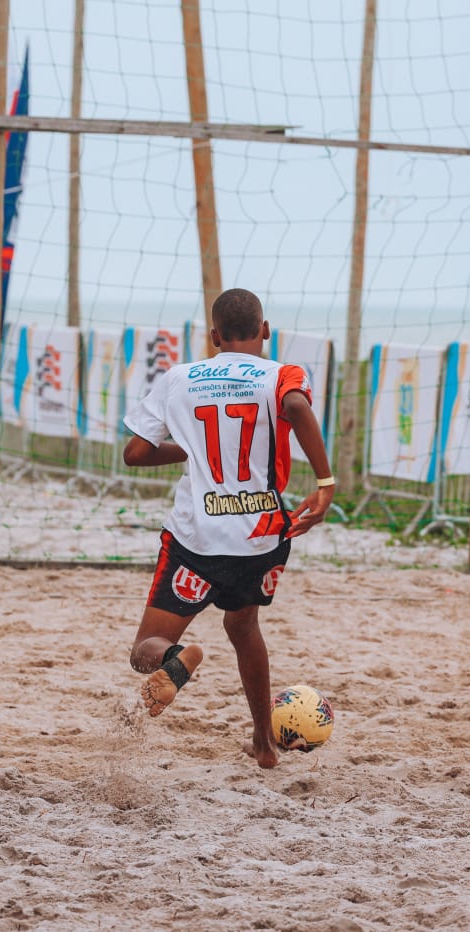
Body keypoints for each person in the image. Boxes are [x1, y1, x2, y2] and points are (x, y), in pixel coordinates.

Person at [122, 288, 336, 768]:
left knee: (143, 651)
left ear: (215, 336)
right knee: (243, 625)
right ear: (265, 331)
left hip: (195, 538)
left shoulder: (179, 378)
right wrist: (325, 483)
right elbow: (298, 407)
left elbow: (134, 454)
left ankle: (174, 658)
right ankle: (264, 742)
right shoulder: (282, 374)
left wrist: (193, 448)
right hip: (261, 536)